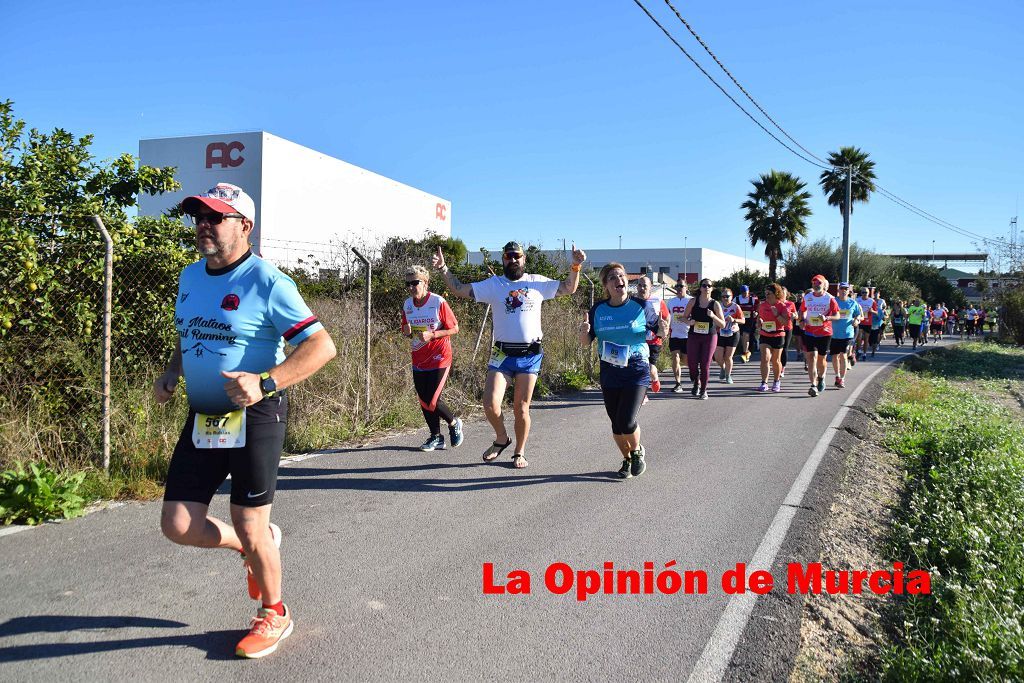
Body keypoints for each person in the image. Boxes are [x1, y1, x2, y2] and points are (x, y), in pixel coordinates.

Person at [156, 183, 337, 659]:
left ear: (245, 227)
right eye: (199, 216)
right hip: (205, 416)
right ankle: (251, 547)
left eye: (216, 217)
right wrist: (172, 370)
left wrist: (267, 382)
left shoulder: (269, 282)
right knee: (177, 523)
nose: (203, 225)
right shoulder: (190, 277)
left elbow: (322, 346)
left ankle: (274, 611)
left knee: (250, 521)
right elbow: (187, 330)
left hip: (256, 414)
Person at [433, 240, 585, 468]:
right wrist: (443, 269)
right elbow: (459, 289)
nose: (513, 259)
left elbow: (568, 288)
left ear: (524, 259)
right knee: (490, 404)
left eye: (517, 256)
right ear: (503, 260)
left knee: (521, 408)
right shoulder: (494, 284)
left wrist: (575, 266)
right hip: (502, 354)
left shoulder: (537, 282)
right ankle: (502, 438)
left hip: (530, 354)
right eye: (508, 256)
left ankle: (519, 452)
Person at [579, 263, 666, 479]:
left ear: (627, 281)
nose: (619, 279)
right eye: (612, 277)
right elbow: (585, 342)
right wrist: (584, 332)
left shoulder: (641, 307)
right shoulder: (598, 310)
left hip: (636, 369)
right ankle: (626, 459)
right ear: (606, 285)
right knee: (616, 423)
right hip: (610, 371)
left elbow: (659, 334)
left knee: (626, 420)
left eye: (622, 275)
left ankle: (636, 453)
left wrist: (663, 331)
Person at [401, 265, 463, 452]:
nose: (412, 287)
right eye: (408, 284)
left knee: (433, 400)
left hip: (439, 356)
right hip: (419, 357)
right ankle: (436, 436)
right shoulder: (407, 304)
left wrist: (433, 335)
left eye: (415, 283)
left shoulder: (438, 302)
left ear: (425, 283)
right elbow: (405, 330)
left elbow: (454, 328)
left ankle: (454, 423)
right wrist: (407, 331)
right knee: (423, 399)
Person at [682, 278, 726, 399]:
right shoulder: (693, 302)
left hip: (709, 337)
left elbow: (722, 324)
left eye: (709, 286)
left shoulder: (715, 304)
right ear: (700, 288)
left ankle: (703, 390)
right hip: (694, 336)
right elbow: (684, 318)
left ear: (712, 289)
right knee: (692, 363)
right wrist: (689, 322)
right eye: (704, 285)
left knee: (705, 364)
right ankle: (696, 382)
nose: (707, 287)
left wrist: (713, 316)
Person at [800, 274, 840, 397]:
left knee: (821, 359)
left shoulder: (830, 298)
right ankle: (813, 384)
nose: (816, 285)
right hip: (809, 331)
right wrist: (802, 320)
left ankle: (821, 378)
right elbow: (802, 310)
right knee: (811, 357)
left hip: (825, 332)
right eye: (814, 283)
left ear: (823, 285)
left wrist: (827, 317)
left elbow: (837, 316)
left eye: (819, 283)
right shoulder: (807, 297)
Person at [636, 276, 669, 394]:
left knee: (650, 368)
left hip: (654, 340)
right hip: (638, 341)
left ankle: (654, 379)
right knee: (639, 367)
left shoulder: (657, 301)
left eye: (645, 285)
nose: (642, 288)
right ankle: (641, 393)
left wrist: (664, 329)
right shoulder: (633, 302)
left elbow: (666, 317)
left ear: (650, 287)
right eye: (639, 285)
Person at [755, 283, 788, 393]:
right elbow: (759, 320)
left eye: (769, 293)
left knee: (776, 361)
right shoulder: (762, 305)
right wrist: (759, 322)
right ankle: (764, 383)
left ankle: (776, 381)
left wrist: (777, 314)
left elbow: (785, 322)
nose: (767, 295)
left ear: (776, 293)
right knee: (765, 358)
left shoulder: (782, 306)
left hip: (778, 335)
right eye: (765, 293)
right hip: (765, 334)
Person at [830, 283, 862, 388]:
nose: (844, 291)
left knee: (843, 355)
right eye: (842, 289)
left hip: (847, 333)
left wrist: (857, 319)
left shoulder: (853, 303)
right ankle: (837, 376)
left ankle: (842, 379)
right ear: (838, 290)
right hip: (834, 333)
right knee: (835, 356)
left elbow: (858, 314)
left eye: (846, 289)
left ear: (848, 291)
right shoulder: (833, 301)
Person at [665, 280, 692, 393]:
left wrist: (688, 320)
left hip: (688, 335)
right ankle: (678, 383)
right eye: (677, 286)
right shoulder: (671, 302)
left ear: (686, 287)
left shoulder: (691, 300)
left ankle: (694, 373)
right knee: (675, 358)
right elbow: (666, 316)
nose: (679, 288)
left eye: (681, 286)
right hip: (675, 335)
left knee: (686, 361)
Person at [714, 288, 744, 384]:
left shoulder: (736, 307)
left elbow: (743, 320)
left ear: (732, 297)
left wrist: (734, 320)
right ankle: (723, 368)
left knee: (728, 357)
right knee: (718, 357)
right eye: (723, 296)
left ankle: (728, 375)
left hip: (733, 333)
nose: (725, 298)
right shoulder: (718, 306)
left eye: (727, 296)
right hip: (720, 333)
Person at [735, 285, 759, 363]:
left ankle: (745, 353)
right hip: (740, 320)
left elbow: (759, 306)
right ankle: (747, 351)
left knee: (746, 334)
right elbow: (731, 307)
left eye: (745, 292)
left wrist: (756, 312)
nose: (744, 294)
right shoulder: (737, 299)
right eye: (742, 292)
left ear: (748, 291)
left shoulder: (752, 299)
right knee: (742, 336)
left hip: (750, 321)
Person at [779, 287, 798, 378]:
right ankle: (777, 365)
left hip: (788, 328)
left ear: (787, 294)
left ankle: (782, 367)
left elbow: (796, 315)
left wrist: (794, 315)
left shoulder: (791, 304)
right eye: (780, 292)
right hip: (778, 328)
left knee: (784, 348)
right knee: (777, 348)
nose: (782, 294)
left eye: (784, 292)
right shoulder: (776, 303)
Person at [854, 287, 877, 361]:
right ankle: (858, 351)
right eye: (863, 292)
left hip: (868, 322)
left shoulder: (872, 301)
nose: (864, 294)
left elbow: (876, 312)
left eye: (866, 292)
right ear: (861, 293)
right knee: (859, 337)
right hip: (860, 321)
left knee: (866, 339)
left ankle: (864, 353)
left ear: (868, 293)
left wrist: (872, 311)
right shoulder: (857, 300)